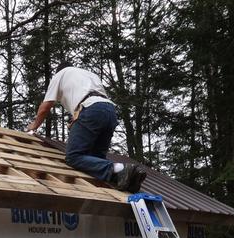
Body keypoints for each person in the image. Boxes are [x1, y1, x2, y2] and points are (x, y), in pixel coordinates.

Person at [26, 63, 146, 193]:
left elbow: (45, 107)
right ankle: (130, 180)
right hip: (109, 111)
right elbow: (93, 100)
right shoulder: (89, 75)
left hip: (90, 109)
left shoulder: (60, 75)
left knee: (74, 157)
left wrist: (34, 126)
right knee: (95, 162)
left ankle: (120, 169)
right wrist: (78, 119)